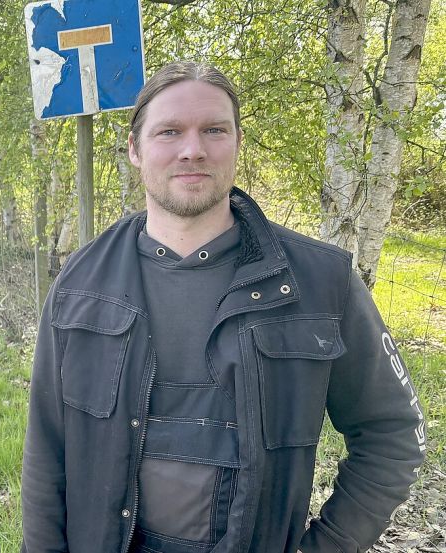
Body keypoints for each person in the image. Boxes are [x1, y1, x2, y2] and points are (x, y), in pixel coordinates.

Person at [21, 61, 426, 553]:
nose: (193, 149)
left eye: (213, 129)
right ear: (134, 149)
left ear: (236, 142)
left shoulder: (322, 283)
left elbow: (393, 433)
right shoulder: (81, 282)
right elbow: (46, 451)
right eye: (169, 131)